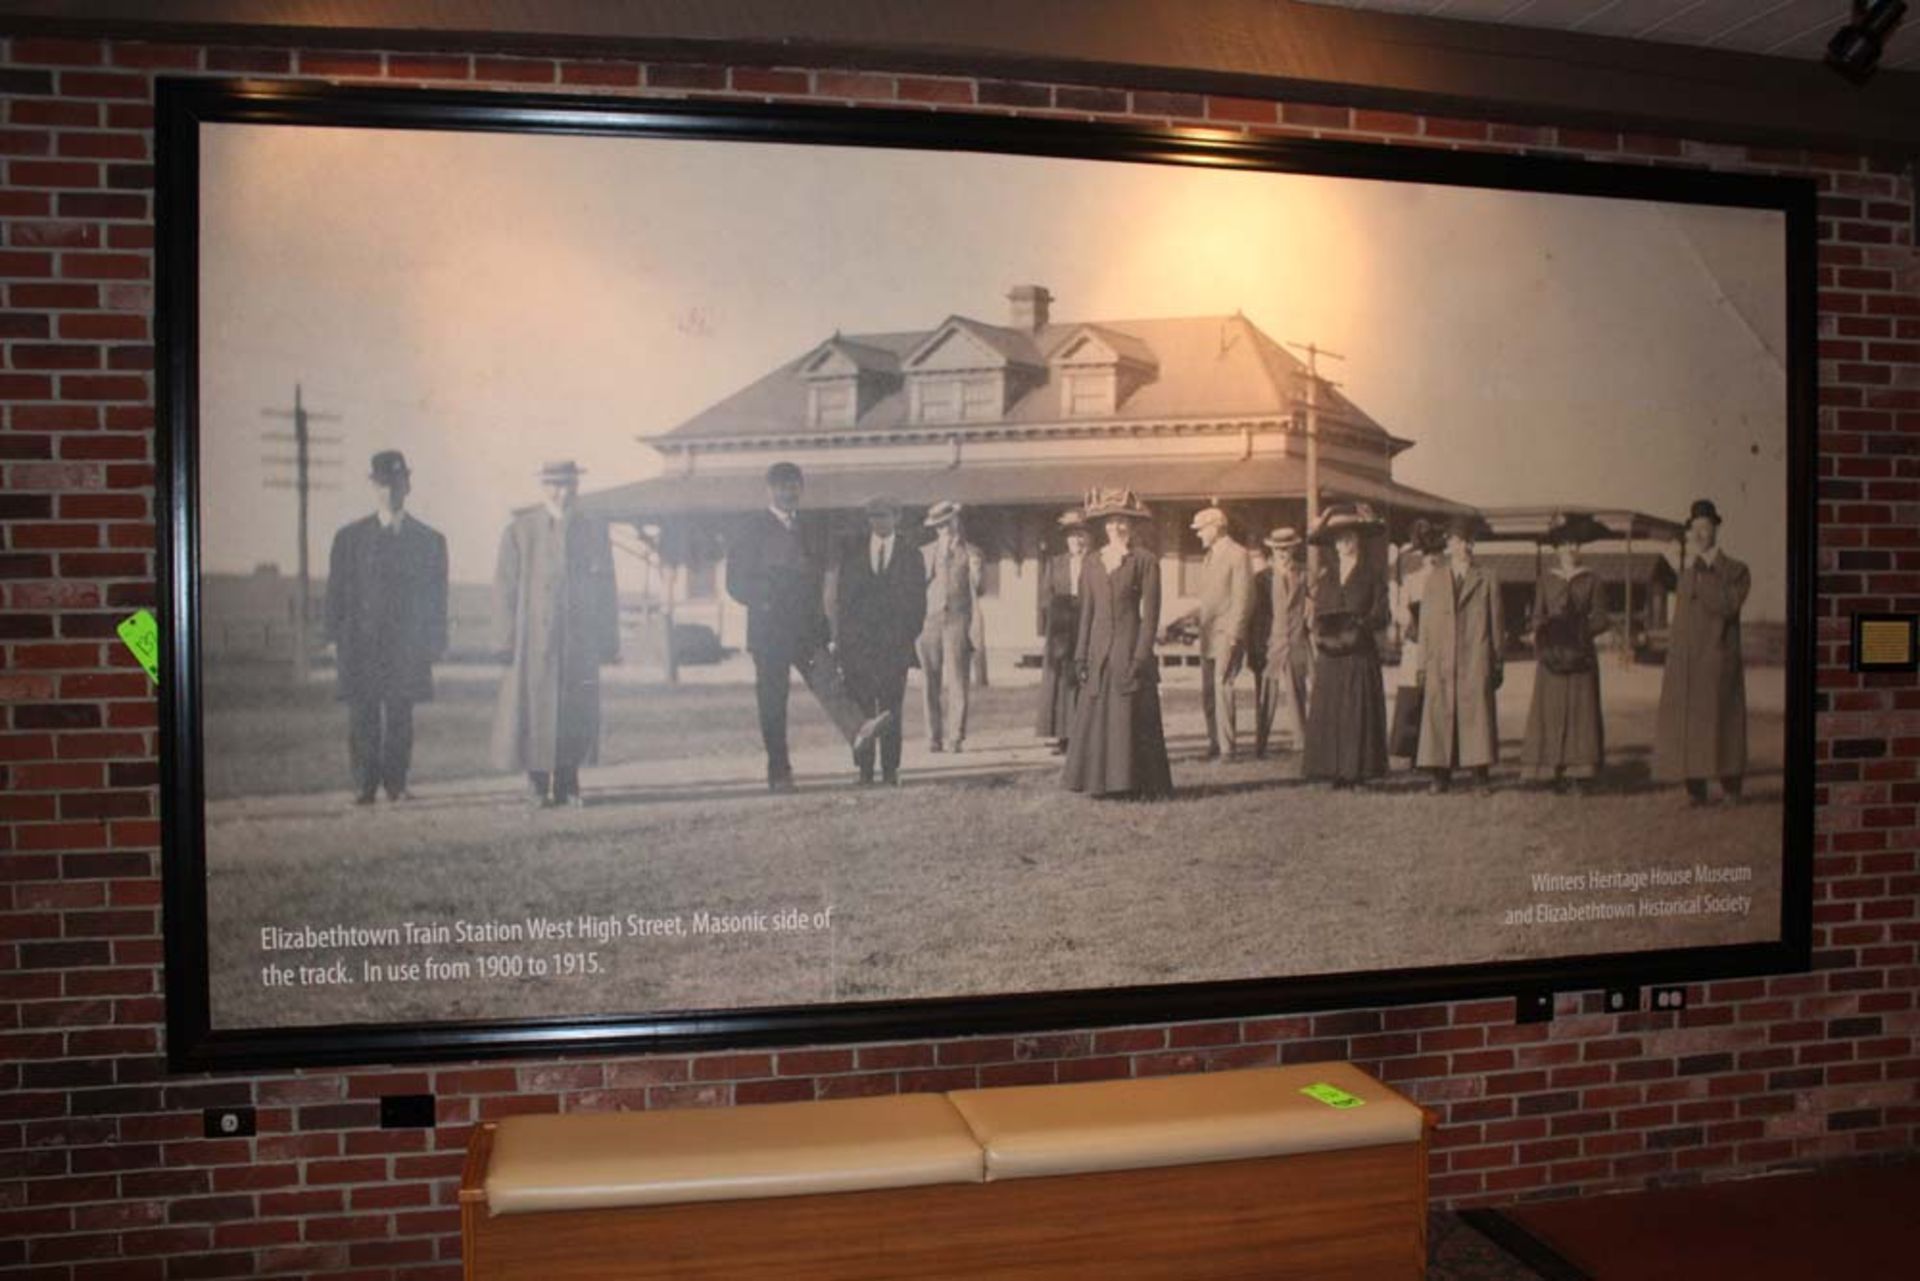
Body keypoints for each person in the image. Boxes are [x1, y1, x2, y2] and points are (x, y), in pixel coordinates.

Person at [726, 461, 888, 792]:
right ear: (769, 490)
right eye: (782, 486)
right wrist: (767, 598)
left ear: (801, 489)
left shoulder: (811, 528)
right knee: (773, 702)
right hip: (769, 630)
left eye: (794, 486)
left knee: (829, 681)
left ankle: (858, 731)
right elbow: (735, 582)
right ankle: (779, 772)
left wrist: (823, 620)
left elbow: (821, 576)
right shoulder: (750, 528)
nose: (789, 493)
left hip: (805, 627)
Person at [490, 459, 619, 808]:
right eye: (556, 485)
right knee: (534, 709)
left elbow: (606, 589)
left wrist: (607, 640)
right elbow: (505, 589)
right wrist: (504, 641)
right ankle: (536, 784)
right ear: (543, 486)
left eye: (570, 486)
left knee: (574, 708)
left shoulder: (592, 530)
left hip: (577, 640)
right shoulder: (520, 531)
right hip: (534, 641)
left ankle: (568, 783)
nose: (563, 493)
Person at [324, 450, 448, 805]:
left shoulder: (429, 542)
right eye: (382, 485)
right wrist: (332, 636)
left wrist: (435, 641)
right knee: (362, 715)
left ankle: (396, 785)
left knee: (399, 716)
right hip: (360, 644)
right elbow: (336, 592)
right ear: (372, 487)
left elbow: (437, 598)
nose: (389, 492)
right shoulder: (349, 538)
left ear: (407, 486)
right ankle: (364, 787)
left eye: (396, 484)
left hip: (405, 646)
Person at [1062, 488, 1173, 799]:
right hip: (1098, 651)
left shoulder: (1145, 561)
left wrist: (1140, 657)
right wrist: (1081, 655)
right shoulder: (1092, 562)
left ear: (1133, 525)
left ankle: (1132, 782)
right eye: (1110, 522)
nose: (1116, 528)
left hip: (1128, 649)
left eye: (1122, 521)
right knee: (1097, 717)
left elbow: (1149, 616)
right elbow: (1086, 613)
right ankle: (1099, 783)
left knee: (1128, 716)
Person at [1654, 498, 1750, 805]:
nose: (1699, 534)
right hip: (1688, 664)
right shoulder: (1685, 572)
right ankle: (1695, 791)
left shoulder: (1736, 570)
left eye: (1705, 527)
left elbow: (1727, 604)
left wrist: (1698, 574)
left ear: (1716, 529)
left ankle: (1731, 789)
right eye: (1694, 528)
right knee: (1690, 726)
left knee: (1725, 725)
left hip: (1719, 660)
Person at [828, 496, 922, 785]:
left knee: (891, 709)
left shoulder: (910, 555)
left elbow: (918, 605)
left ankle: (891, 770)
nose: (878, 521)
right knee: (864, 710)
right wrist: (843, 644)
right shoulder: (853, 553)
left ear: (897, 517)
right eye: (872, 516)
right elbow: (843, 602)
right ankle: (865, 771)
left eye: (884, 515)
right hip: (859, 649)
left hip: (894, 647)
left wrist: (904, 638)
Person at [1522, 512, 1612, 793]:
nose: (1570, 549)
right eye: (1565, 544)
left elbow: (1602, 618)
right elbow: (1537, 616)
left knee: (1580, 712)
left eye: (1575, 543)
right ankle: (1553, 770)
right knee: (1552, 710)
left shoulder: (1592, 579)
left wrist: (1580, 630)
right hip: (1552, 656)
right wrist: (1547, 632)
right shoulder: (1546, 580)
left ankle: (1580, 773)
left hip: (1581, 654)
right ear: (1557, 548)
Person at [1301, 504, 1390, 788]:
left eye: (1350, 538)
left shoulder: (1372, 574)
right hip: (1331, 655)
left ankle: (1358, 771)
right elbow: (1316, 612)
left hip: (1359, 653)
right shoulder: (1326, 577)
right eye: (1339, 540)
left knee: (1357, 713)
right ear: (1334, 545)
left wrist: (1361, 624)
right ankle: (1335, 770)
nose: (1345, 544)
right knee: (1333, 711)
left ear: (1358, 541)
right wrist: (1323, 629)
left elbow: (1382, 613)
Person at [1417, 515, 1505, 793]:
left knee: (1476, 715)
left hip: (1474, 658)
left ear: (1473, 544)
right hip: (1440, 659)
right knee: (1439, 714)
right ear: (1449, 544)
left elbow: (1497, 623)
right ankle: (1440, 774)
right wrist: (1422, 664)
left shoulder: (1487, 578)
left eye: (1469, 541)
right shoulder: (1434, 579)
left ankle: (1480, 775)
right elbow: (1425, 627)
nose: (1463, 547)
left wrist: (1496, 661)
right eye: (1458, 541)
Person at [917, 499, 984, 753]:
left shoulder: (972, 552)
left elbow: (980, 590)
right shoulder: (926, 552)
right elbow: (916, 588)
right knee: (929, 682)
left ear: (956, 522)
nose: (944, 529)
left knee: (958, 681)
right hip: (929, 622)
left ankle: (955, 736)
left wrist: (977, 573)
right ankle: (933, 737)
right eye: (939, 525)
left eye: (947, 523)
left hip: (958, 621)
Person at [1190, 506, 1254, 761]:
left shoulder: (1238, 555)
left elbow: (1244, 598)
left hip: (1227, 634)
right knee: (1208, 691)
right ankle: (1214, 743)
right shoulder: (1209, 557)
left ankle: (1228, 748)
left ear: (1216, 528)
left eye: (1201, 530)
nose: (1198, 535)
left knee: (1222, 686)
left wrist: (1235, 634)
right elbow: (1208, 600)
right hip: (1208, 635)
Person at [1034, 509, 1091, 754]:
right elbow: (1045, 598)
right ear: (1066, 540)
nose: (1076, 541)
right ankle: (1062, 735)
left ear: (1087, 537)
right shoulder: (1055, 563)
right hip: (1060, 628)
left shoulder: (1095, 562)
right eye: (1071, 536)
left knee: (1083, 677)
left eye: (1080, 535)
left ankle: (1083, 735)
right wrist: (1044, 631)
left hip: (1085, 625)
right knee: (1060, 681)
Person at [1388, 521, 1443, 764]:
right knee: (1413, 697)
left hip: (1439, 644)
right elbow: (1399, 611)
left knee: (1436, 697)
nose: (1431, 561)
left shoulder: (1447, 579)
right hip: (1415, 642)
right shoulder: (1412, 579)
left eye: (1436, 556)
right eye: (1427, 556)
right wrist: (1409, 620)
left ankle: (1437, 752)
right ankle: (1412, 752)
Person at [1255, 527, 1311, 757]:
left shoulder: (1304, 575)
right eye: (1278, 549)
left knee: (1297, 692)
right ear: (1272, 550)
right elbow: (1259, 616)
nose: (1283, 553)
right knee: (1267, 693)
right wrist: (1259, 645)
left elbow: (1310, 606)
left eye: (1287, 549)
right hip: (1272, 643)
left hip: (1297, 640)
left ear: (1294, 549)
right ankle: (1261, 744)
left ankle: (1302, 742)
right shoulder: (1262, 579)